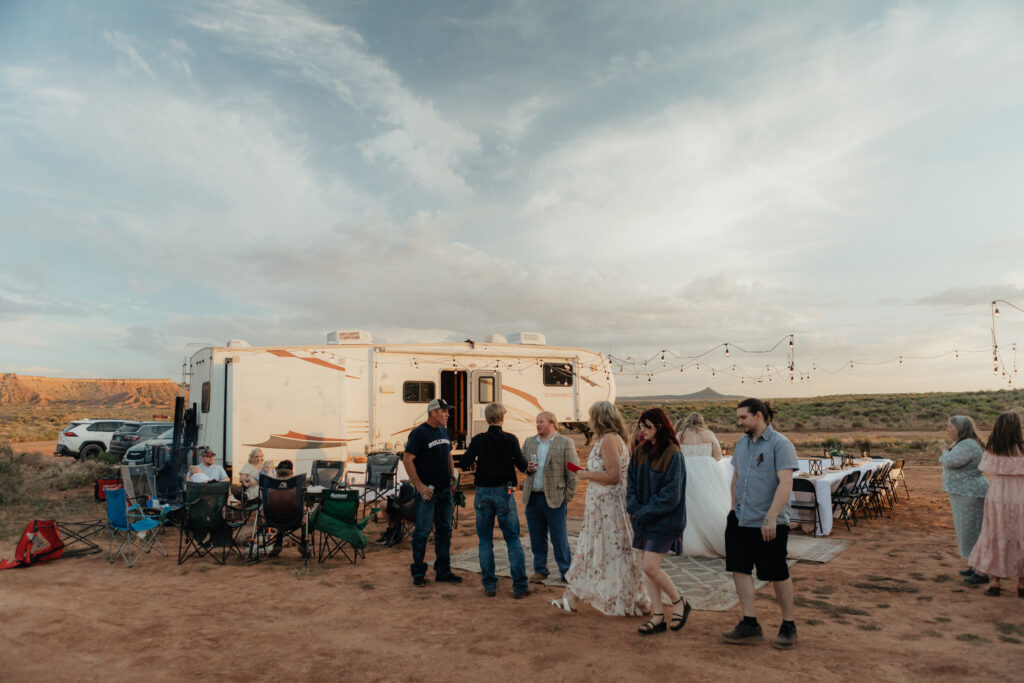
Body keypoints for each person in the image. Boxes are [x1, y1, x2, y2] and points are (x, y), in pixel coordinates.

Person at [553, 401, 650, 617]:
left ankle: (634, 599)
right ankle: (638, 599)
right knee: (606, 551)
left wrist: (585, 474)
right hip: (602, 507)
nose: (589, 420)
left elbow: (613, 476)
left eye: (591, 416)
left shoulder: (608, 440)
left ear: (599, 418)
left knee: (607, 551)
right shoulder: (609, 439)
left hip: (609, 508)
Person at [722, 398, 800, 650]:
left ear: (758, 416)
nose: (740, 422)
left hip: (769, 523)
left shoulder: (781, 444)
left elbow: (786, 483)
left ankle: (788, 625)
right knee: (739, 569)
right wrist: (733, 509)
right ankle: (749, 623)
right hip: (740, 519)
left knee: (777, 572)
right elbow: (736, 478)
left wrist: (771, 517)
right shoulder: (741, 444)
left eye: (743, 417)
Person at [626, 408, 690, 635]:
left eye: (647, 427)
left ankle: (679, 602)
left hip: (664, 521)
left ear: (660, 427)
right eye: (641, 426)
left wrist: (644, 511)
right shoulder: (638, 452)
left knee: (649, 566)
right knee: (650, 571)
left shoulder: (673, 454)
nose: (642, 431)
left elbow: (671, 495)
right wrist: (633, 508)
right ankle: (658, 616)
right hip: (643, 520)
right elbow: (631, 484)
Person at [460, 402, 529, 598]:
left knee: (484, 540)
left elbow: (465, 462)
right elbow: (522, 465)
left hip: (483, 491)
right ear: (502, 418)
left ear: (487, 418)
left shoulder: (479, 439)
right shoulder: (511, 439)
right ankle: (519, 585)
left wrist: (476, 462)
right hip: (504, 491)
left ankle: (489, 585)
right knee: (512, 539)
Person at [403, 398, 462, 587]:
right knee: (422, 532)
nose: (448, 414)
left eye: (447, 411)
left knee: (445, 531)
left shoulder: (444, 431)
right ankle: (418, 573)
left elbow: (448, 454)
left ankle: (443, 571)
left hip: (445, 490)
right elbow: (407, 459)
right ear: (433, 413)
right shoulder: (419, 433)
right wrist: (419, 486)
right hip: (428, 491)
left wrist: (452, 475)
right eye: (444, 411)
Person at [967, 412, 1024, 598]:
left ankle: (994, 583)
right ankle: (1022, 584)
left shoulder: (994, 448)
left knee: (994, 534)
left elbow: (985, 467)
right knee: (1020, 535)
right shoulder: (1022, 449)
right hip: (1020, 495)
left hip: (998, 494)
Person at [522, 411, 580, 584]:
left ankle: (566, 571)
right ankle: (540, 570)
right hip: (533, 497)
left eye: (542, 421)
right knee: (536, 536)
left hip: (556, 498)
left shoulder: (565, 443)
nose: (538, 424)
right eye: (537, 421)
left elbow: (573, 470)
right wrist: (527, 468)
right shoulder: (529, 442)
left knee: (558, 537)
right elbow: (521, 464)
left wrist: (568, 495)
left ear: (552, 423)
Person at [939, 416, 988, 581]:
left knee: (973, 531)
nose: (948, 430)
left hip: (970, 494)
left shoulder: (967, 444)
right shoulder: (965, 443)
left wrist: (944, 451)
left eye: (950, 426)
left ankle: (981, 570)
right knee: (968, 531)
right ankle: (975, 566)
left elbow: (952, 461)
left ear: (960, 428)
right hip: (966, 494)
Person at [675, 412, 729, 557]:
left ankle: (690, 542)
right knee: (711, 500)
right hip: (707, 471)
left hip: (686, 470)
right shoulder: (709, 434)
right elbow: (718, 456)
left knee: (689, 506)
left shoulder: (680, 435)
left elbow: (674, 454)